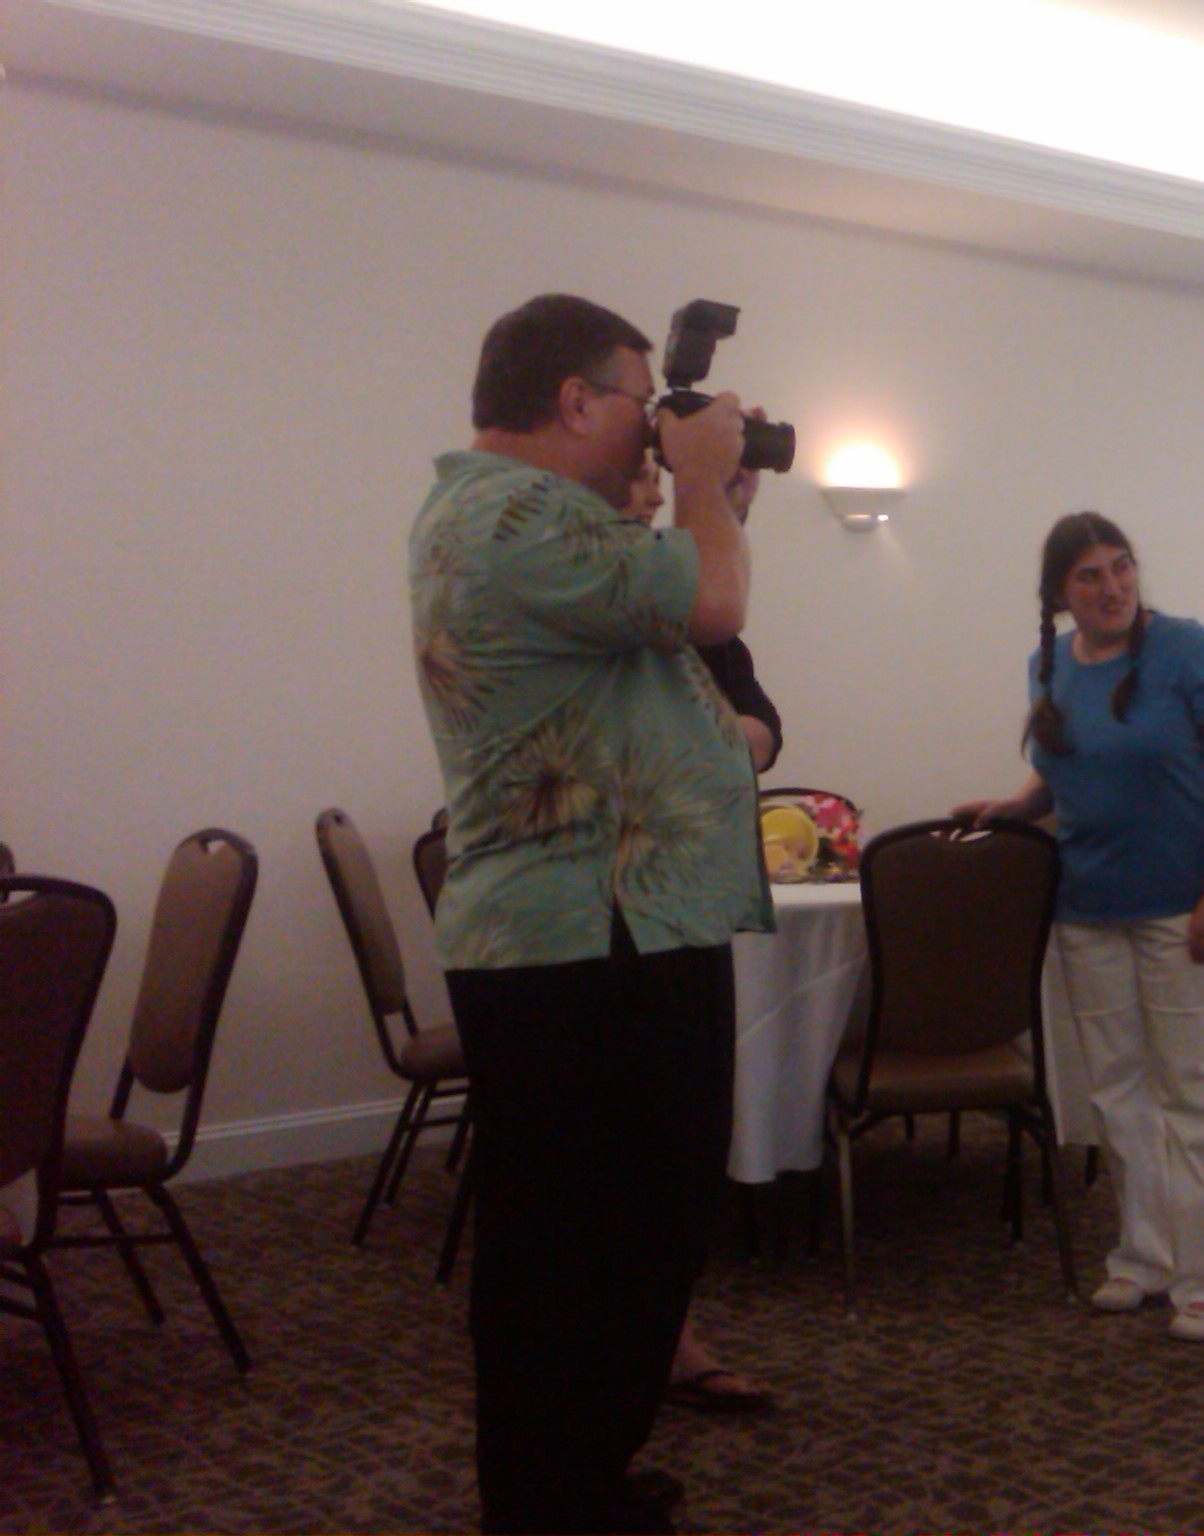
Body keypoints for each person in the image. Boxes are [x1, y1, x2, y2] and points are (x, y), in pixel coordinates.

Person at [409, 293, 770, 1532]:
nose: (650, 427)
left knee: (602, 1234)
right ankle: (552, 1499)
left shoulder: (514, 516)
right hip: (586, 936)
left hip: (603, 927)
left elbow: (677, 613)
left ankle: (571, 1480)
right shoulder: (517, 515)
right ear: (574, 400)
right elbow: (713, 607)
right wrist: (704, 484)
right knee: (593, 1240)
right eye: (637, 400)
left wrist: (714, 502)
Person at [954, 512, 1204, 1344]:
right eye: (1090, 575)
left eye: (1121, 566)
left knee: (1197, 1091)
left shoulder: (1187, 649)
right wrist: (1019, 804)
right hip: (1088, 908)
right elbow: (1067, 772)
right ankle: (1146, 1257)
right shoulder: (1049, 663)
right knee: (1118, 1092)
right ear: (1060, 593)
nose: (1112, 586)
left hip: (1185, 908)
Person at [623, 457, 776, 1416]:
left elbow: (763, 726)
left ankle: (664, 1334)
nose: (655, 492)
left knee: (687, 1135)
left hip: (699, 896)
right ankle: (646, 1349)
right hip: (631, 904)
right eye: (649, 480)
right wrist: (724, 738)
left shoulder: (704, 620)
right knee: (642, 1146)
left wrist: (722, 737)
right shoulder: (626, 599)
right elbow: (696, 735)